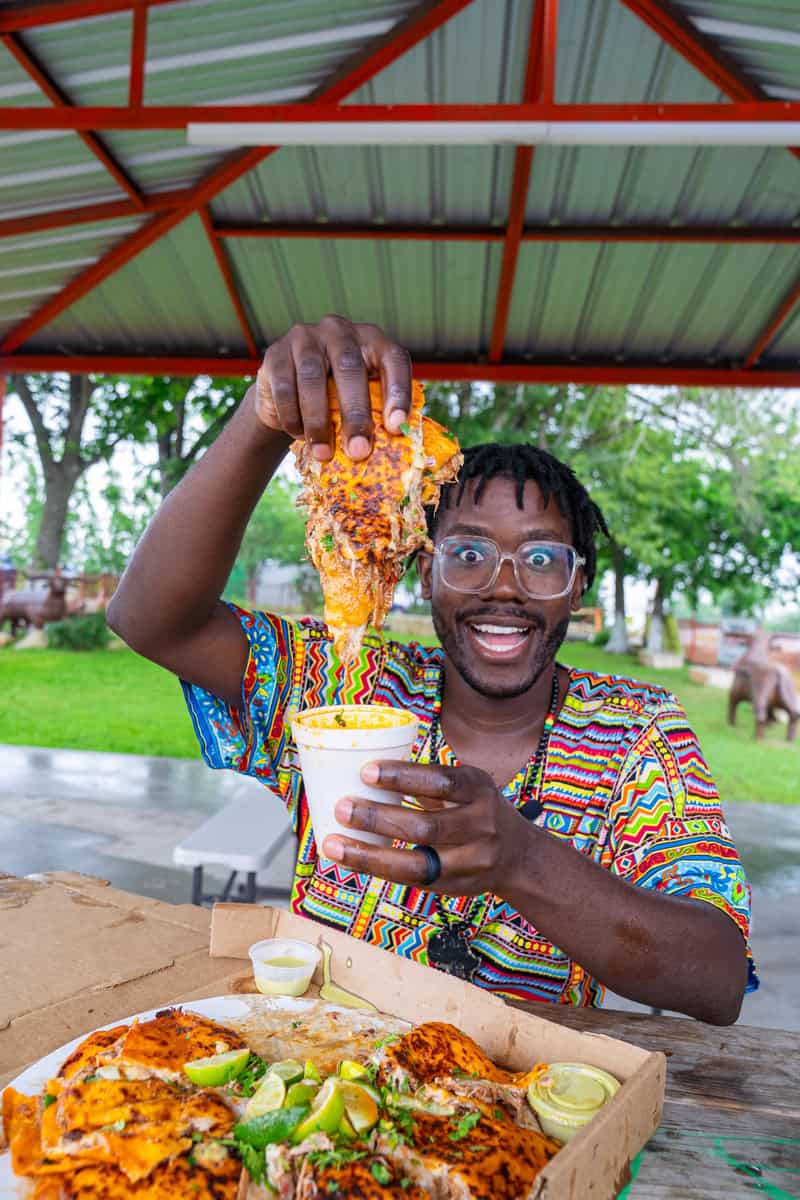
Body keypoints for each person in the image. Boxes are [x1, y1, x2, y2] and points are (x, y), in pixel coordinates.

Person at [108, 315, 756, 1025]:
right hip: (321, 1069)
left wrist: (520, 859)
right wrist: (264, 417)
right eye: (468, 553)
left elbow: (717, 979)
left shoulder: (636, 733)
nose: (503, 586)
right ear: (424, 571)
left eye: (541, 560)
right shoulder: (346, 682)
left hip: (511, 1102)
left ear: (579, 586)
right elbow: (149, 619)